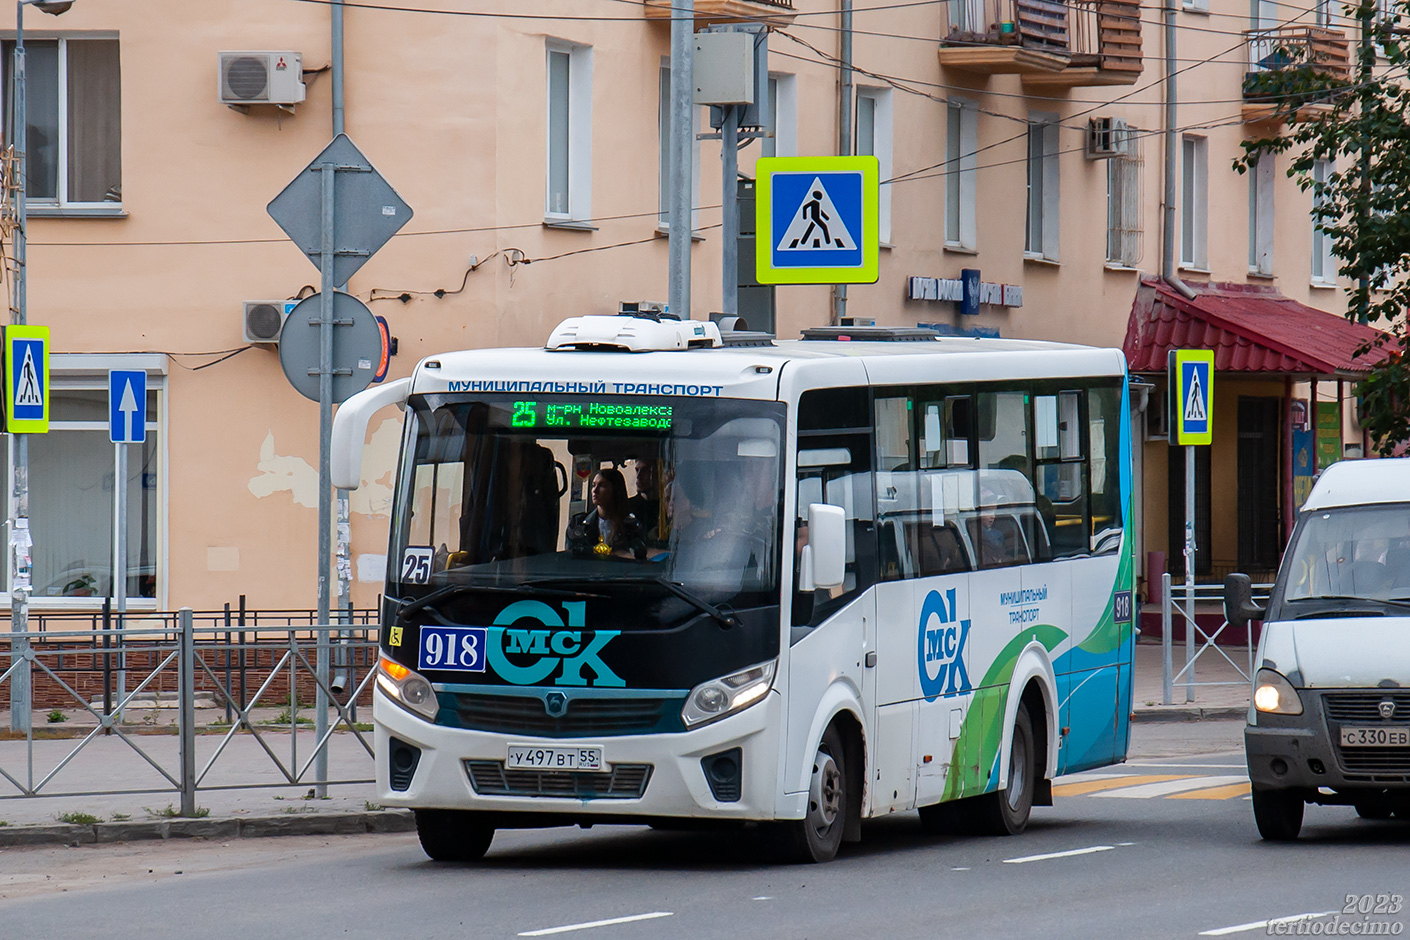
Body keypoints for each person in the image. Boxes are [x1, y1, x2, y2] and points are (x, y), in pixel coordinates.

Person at [567, 468, 646, 559]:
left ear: (615, 490)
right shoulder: (578, 523)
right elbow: (570, 556)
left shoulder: (632, 525)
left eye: (602, 485)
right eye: (593, 485)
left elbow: (640, 555)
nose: (595, 490)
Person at [626, 458, 663, 540]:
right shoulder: (627, 506)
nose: (638, 476)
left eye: (645, 471)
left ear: (658, 473)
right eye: (637, 470)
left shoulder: (667, 506)